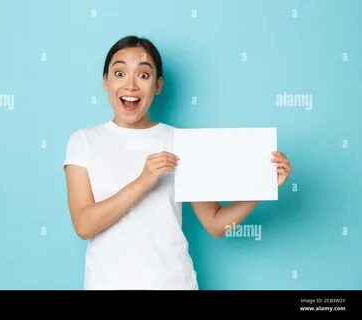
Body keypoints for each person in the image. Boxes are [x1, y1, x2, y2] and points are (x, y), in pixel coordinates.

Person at [63, 35, 293, 290]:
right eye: (119, 73)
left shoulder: (182, 141)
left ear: (158, 85)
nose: (130, 85)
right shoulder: (83, 141)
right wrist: (143, 181)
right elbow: (84, 225)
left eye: (143, 75)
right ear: (105, 81)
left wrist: (262, 185)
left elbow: (216, 223)